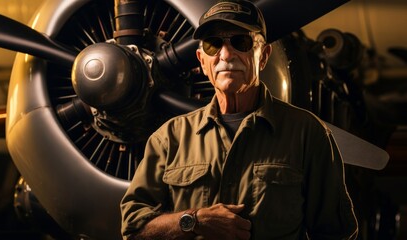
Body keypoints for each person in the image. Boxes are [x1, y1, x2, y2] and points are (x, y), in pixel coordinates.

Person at [121, 0, 358, 239]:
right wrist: (194, 220)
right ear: (202, 60)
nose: (225, 54)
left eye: (240, 42)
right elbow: (134, 230)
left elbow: (335, 233)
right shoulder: (168, 138)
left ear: (263, 55)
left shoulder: (307, 133)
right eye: (213, 45)